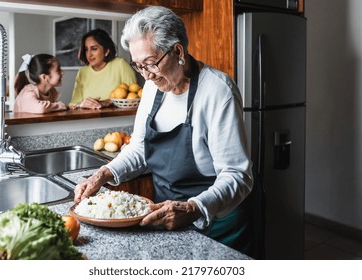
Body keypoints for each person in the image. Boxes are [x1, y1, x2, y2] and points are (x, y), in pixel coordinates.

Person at [74, 7, 256, 257]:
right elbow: (140, 149)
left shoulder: (218, 91)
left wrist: (194, 208)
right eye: (138, 66)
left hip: (220, 222)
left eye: (150, 63)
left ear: (178, 51)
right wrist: (104, 173)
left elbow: (237, 175)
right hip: (169, 216)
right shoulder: (152, 87)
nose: (146, 75)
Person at [69, 28, 137, 109]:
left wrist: (108, 102)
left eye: (94, 48)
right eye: (86, 49)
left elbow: (134, 97)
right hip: (89, 120)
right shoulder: (82, 72)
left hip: (118, 120)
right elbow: (73, 104)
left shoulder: (120, 64)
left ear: (106, 51)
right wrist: (80, 104)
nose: (89, 54)